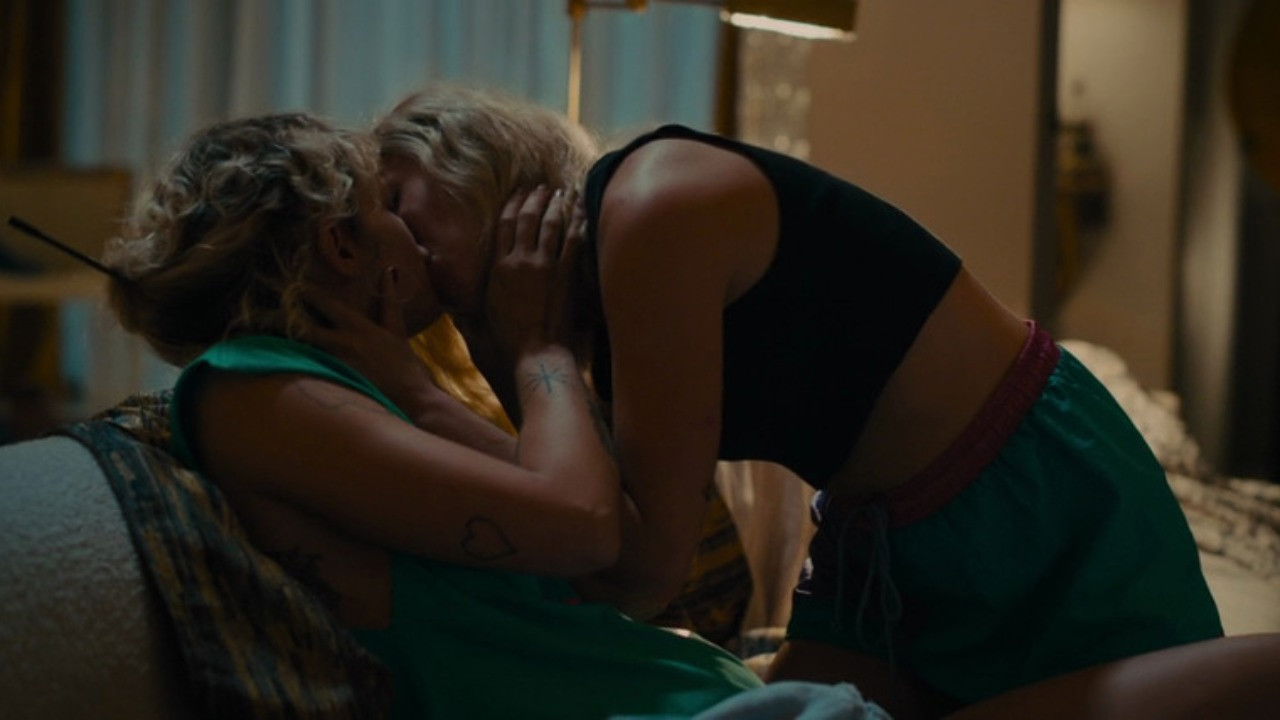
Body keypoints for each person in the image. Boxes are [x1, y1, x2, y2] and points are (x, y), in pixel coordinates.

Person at [374, 85, 1280, 718]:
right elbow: (586, 531)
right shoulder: (581, 304)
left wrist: (521, 350)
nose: (391, 240)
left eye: (393, 196)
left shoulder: (650, 210)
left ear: (463, 152)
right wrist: (492, 346)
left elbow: (643, 570)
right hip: (877, 540)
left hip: (1020, 494)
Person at [102, 112, 797, 719]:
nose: (418, 243)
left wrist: (434, 386)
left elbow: (582, 524)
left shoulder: (324, 384)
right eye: (388, 209)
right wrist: (539, 344)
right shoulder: (252, 389)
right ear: (342, 243)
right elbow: (586, 525)